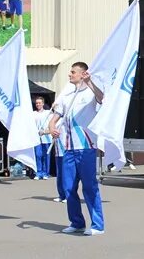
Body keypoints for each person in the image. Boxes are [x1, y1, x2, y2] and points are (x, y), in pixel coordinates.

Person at [49, 62, 106, 236]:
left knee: (89, 187)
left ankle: (97, 225)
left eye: (73, 72)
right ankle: (77, 222)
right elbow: (56, 116)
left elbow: (102, 98)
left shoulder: (90, 93)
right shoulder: (67, 96)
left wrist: (90, 83)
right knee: (68, 188)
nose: (70, 75)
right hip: (69, 148)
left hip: (86, 147)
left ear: (83, 74)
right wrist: (52, 126)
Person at [51, 101, 67, 203]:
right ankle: (61, 195)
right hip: (58, 150)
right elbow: (51, 129)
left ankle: (67, 195)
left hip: (66, 150)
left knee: (66, 175)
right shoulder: (53, 120)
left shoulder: (64, 119)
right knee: (59, 174)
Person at [33, 97, 52, 180]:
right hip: (37, 138)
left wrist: (45, 131)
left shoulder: (48, 113)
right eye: (37, 103)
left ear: (43, 104)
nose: (38, 104)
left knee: (46, 156)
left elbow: (52, 124)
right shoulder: (33, 113)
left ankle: (45, 173)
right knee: (38, 155)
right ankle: (38, 173)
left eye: (39, 103)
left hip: (46, 138)